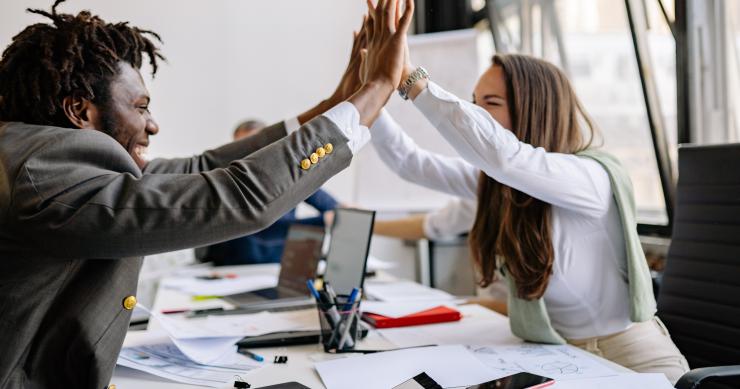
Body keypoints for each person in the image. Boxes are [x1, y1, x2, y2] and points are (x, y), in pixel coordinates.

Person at [0, 0, 414, 387]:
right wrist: (376, 87)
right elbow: (237, 199)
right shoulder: (45, 173)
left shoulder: (39, 155)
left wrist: (335, 103)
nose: (152, 124)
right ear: (80, 112)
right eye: (141, 107)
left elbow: (200, 169)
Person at [367, 49, 689, 382]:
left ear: (535, 110)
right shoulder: (495, 183)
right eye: (473, 103)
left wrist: (410, 78)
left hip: (632, 356)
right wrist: (371, 92)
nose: (477, 114)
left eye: (490, 103)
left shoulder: (588, 177)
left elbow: (503, 156)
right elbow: (409, 163)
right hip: (561, 354)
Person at [202, 119, 339, 265]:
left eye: (252, 148)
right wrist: (323, 221)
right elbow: (265, 228)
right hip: (233, 267)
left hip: (275, 266)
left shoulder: (289, 175)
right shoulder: (227, 182)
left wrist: (344, 212)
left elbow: (330, 205)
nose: (247, 156)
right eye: (239, 148)